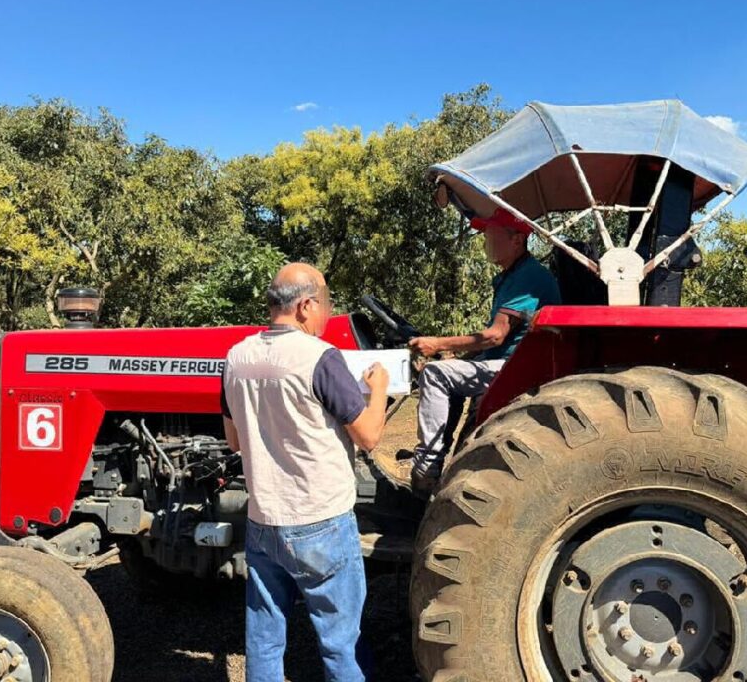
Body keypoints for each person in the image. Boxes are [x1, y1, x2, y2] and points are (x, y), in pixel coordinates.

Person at [220, 262, 389, 682]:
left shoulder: (236, 357)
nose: (328, 314)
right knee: (339, 642)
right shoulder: (319, 358)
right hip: (322, 523)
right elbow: (368, 436)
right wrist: (380, 387)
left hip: (264, 522)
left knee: (264, 641)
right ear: (306, 305)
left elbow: (235, 442)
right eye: (326, 304)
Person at [405, 208, 561, 496]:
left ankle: (427, 467)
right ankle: (440, 459)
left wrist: (438, 344)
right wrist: (459, 357)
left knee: (436, 374)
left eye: (492, 235)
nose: (486, 242)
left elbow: (495, 336)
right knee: (446, 371)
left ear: (516, 240)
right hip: (503, 362)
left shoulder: (528, 277)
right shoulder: (512, 275)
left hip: (514, 369)